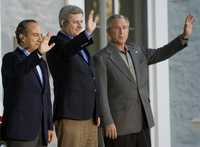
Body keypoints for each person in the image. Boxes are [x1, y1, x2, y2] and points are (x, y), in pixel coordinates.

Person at [94, 14, 194, 147]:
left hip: (142, 121)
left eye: (124, 28)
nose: (121, 31)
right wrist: (108, 121)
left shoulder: (137, 50)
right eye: (117, 28)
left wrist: (184, 36)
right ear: (108, 32)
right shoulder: (101, 58)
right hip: (118, 125)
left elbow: (161, 53)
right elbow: (101, 94)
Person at [46, 5, 100, 147]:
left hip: (90, 117)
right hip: (70, 116)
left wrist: (96, 112)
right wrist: (87, 32)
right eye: (75, 22)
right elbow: (67, 50)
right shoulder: (55, 43)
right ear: (63, 23)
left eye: (81, 22)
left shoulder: (81, 46)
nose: (80, 25)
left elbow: (91, 80)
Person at [1, 19, 55, 147]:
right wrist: (38, 53)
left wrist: (48, 125)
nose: (40, 39)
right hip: (20, 132)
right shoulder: (11, 58)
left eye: (41, 35)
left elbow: (46, 96)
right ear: (22, 37)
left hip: (40, 133)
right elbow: (20, 72)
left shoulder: (41, 63)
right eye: (35, 35)